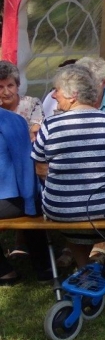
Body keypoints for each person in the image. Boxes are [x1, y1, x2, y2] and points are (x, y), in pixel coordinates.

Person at [31, 64, 105, 269]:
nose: (53, 95)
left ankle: (84, 267)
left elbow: (40, 169)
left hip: (61, 209)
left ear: (73, 95)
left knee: (74, 210)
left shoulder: (50, 126)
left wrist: (65, 183)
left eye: (57, 90)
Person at [0, 107, 49, 284]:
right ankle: (42, 267)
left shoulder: (8, 120)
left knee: (31, 211)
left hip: (14, 195)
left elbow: (24, 162)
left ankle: (41, 267)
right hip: (12, 195)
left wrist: (29, 199)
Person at [0, 61, 43, 141]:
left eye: (10, 86)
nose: (6, 92)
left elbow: (34, 136)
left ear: (18, 85)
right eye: (0, 87)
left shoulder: (32, 104)